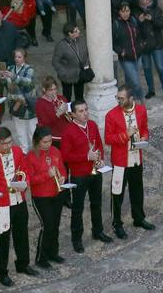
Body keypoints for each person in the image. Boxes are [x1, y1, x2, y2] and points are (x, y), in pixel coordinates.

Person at [0, 126, 33, 284]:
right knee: (3, 239)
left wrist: (25, 183)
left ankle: (23, 264)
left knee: (22, 234)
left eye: (10, 142)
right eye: (4, 143)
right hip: (3, 204)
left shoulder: (17, 151)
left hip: (19, 199)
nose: (8, 146)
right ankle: (2, 272)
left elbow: (25, 170)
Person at [61, 101, 111, 253]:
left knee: (96, 203)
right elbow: (66, 156)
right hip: (79, 175)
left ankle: (98, 231)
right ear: (73, 114)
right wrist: (86, 156)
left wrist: (101, 159)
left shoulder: (92, 125)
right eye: (81, 111)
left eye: (86, 110)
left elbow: (99, 145)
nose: (85, 113)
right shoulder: (68, 131)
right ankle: (76, 239)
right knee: (78, 208)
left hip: (95, 171)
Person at [105, 86, 155, 235]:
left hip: (136, 159)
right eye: (117, 98)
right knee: (117, 193)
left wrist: (144, 137)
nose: (119, 101)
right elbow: (108, 139)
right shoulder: (111, 115)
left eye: (122, 98)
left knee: (137, 190)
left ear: (131, 98)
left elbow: (144, 128)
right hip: (120, 162)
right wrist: (125, 135)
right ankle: (116, 223)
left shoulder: (141, 110)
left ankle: (138, 218)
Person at [26, 126, 67, 270]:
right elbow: (30, 180)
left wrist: (63, 177)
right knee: (47, 225)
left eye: (50, 141)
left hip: (57, 193)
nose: (48, 144)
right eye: (45, 142)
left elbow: (62, 168)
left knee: (55, 225)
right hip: (41, 197)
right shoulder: (31, 156)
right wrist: (46, 175)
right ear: (37, 142)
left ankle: (53, 253)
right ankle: (41, 258)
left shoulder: (55, 151)